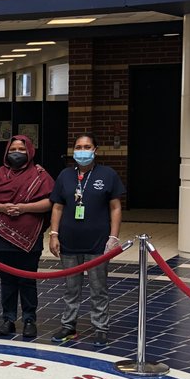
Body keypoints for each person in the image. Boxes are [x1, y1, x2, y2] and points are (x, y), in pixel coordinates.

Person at [48, 134, 124, 348]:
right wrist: (54, 234)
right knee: (71, 288)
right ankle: (68, 325)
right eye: (79, 147)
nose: (83, 151)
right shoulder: (65, 175)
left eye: (87, 147)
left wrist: (114, 237)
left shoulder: (107, 175)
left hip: (97, 242)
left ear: (95, 150)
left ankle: (100, 327)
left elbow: (115, 207)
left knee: (98, 288)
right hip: (69, 242)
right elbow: (58, 206)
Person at [0, 134, 54, 340]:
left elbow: (50, 202)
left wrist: (23, 208)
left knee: (28, 280)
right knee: (7, 281)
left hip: (30, 239)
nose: (17, 153)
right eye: (13, 150)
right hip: (1, 239)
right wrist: (4, 207)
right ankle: (8, 319)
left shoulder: (40, 176)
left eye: (21, 149)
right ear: (6, 152)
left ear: (29, 151)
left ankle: (29, 320)